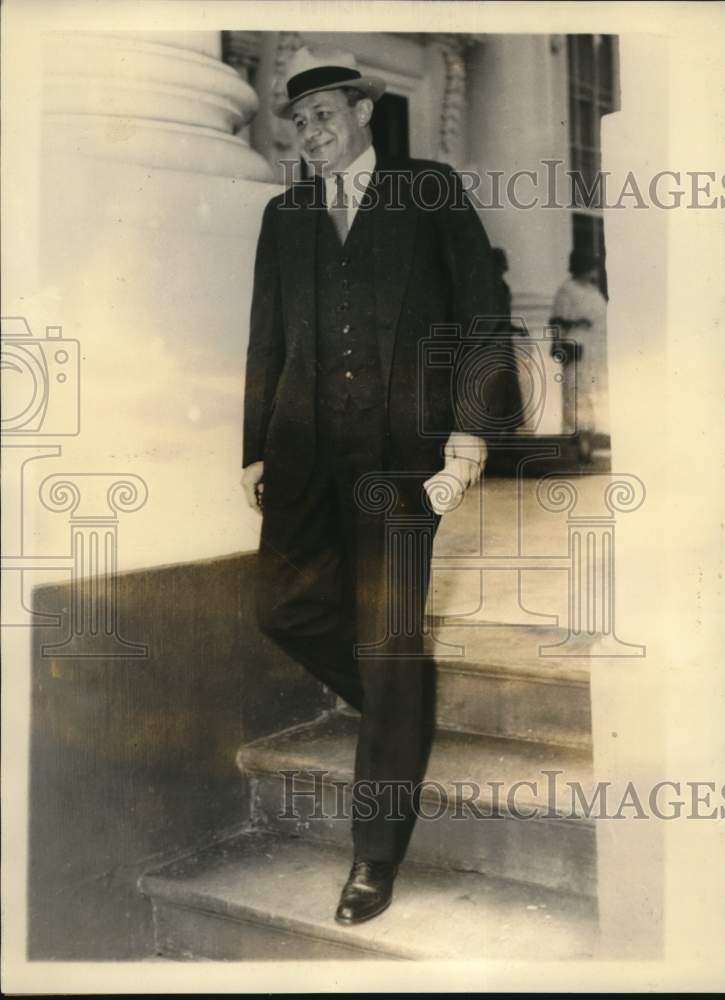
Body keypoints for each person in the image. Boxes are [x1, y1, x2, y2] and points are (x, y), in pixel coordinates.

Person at [241, 46, 509, 926]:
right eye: (297, 121)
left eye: (323, 115)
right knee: (282, 610)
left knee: (389, 642)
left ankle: (374, 855)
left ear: (361, 113)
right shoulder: (284, 214)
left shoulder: (427, 190)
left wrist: (468, 435)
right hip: (302, 455)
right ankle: (401, 716)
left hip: (404, 459)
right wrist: (254, 449)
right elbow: (266, 337)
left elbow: (481, 317)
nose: (309, 133)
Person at [549, 249, 610, 462]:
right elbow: (557, 321)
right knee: (579, 394)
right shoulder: (567, 290)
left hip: (596, 351)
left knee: (593, 393)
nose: (595, 271)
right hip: (578, 348)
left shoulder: (593, 291)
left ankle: (588, 440)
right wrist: (558, 344)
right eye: (592, 267)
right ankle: (583, 445)